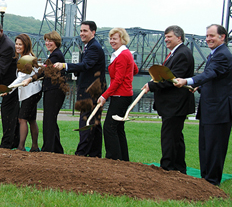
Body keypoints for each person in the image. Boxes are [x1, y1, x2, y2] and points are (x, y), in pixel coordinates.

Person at [174, 24, 232, 185]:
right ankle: (205, 180)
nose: (208, 39)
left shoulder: (222, 55)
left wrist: (188, 80)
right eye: (206, 36)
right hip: (210, 109)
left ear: (222, 37)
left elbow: (210, 73)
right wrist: (199, 86)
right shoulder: (215, 55)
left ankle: (212, 182)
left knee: (214, 148)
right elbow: (215, 79)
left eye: (212, 36)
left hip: (219, 111)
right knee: (206, 147)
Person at [142, 25, 195, 174]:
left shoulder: (182, 54)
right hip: (173, 105)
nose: (166, 40)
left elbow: (172, 79)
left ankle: (167, 168)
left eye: (169, 37)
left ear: (179, 37)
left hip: (175, 105)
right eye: (165, 37)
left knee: (169, 137)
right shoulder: (175, 53)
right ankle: (179, 167)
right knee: (176, 137)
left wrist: (151, 85)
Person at [54, 21, 106, 157]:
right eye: (81, 30)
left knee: (86, 120)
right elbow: (87, 67)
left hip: (91, 91)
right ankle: (95, 153)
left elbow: (86, 65)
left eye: (85, 31)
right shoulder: (89, 46)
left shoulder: (94, 47)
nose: (82, 33)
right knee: (94, 122)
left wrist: (65, 66)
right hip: (92, 89)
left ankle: (81, 154)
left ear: (93, 32)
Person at [97, 28, 138, 161]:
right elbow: (135, 70)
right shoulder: (124, 54)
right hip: (122, 95)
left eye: (115, 38)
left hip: (121, 96)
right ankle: (123, 159)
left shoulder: (123, 55)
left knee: (109, 127)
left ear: (123, 40)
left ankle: (113, 159)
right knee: (118, 128)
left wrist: (104, 95)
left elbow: (118, 80)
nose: (112, 41)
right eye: (111, 38)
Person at [23, 31, 66, 153]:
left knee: (49, 120)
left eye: (50, 41)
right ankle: (57, 149)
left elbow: (43, 71)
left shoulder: (56, 56)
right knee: (51, 119)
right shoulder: (54, 55)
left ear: (56, 42)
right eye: (46, 40)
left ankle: (48, 149)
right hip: (52, 90)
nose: (47, 43)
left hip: (54, 91)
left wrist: (30, 78)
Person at [7, 34, 42, 151]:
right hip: (33, 91)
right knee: (31, 119)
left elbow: (21, 78)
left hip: (31, 92)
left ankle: (21, 147)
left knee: (22, 119)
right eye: (16, 43)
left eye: (20, 44)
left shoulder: (27, 58)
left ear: (26, 45)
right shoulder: (25, 57)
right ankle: (35, 147)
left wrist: (7, 89)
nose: (17, 46)